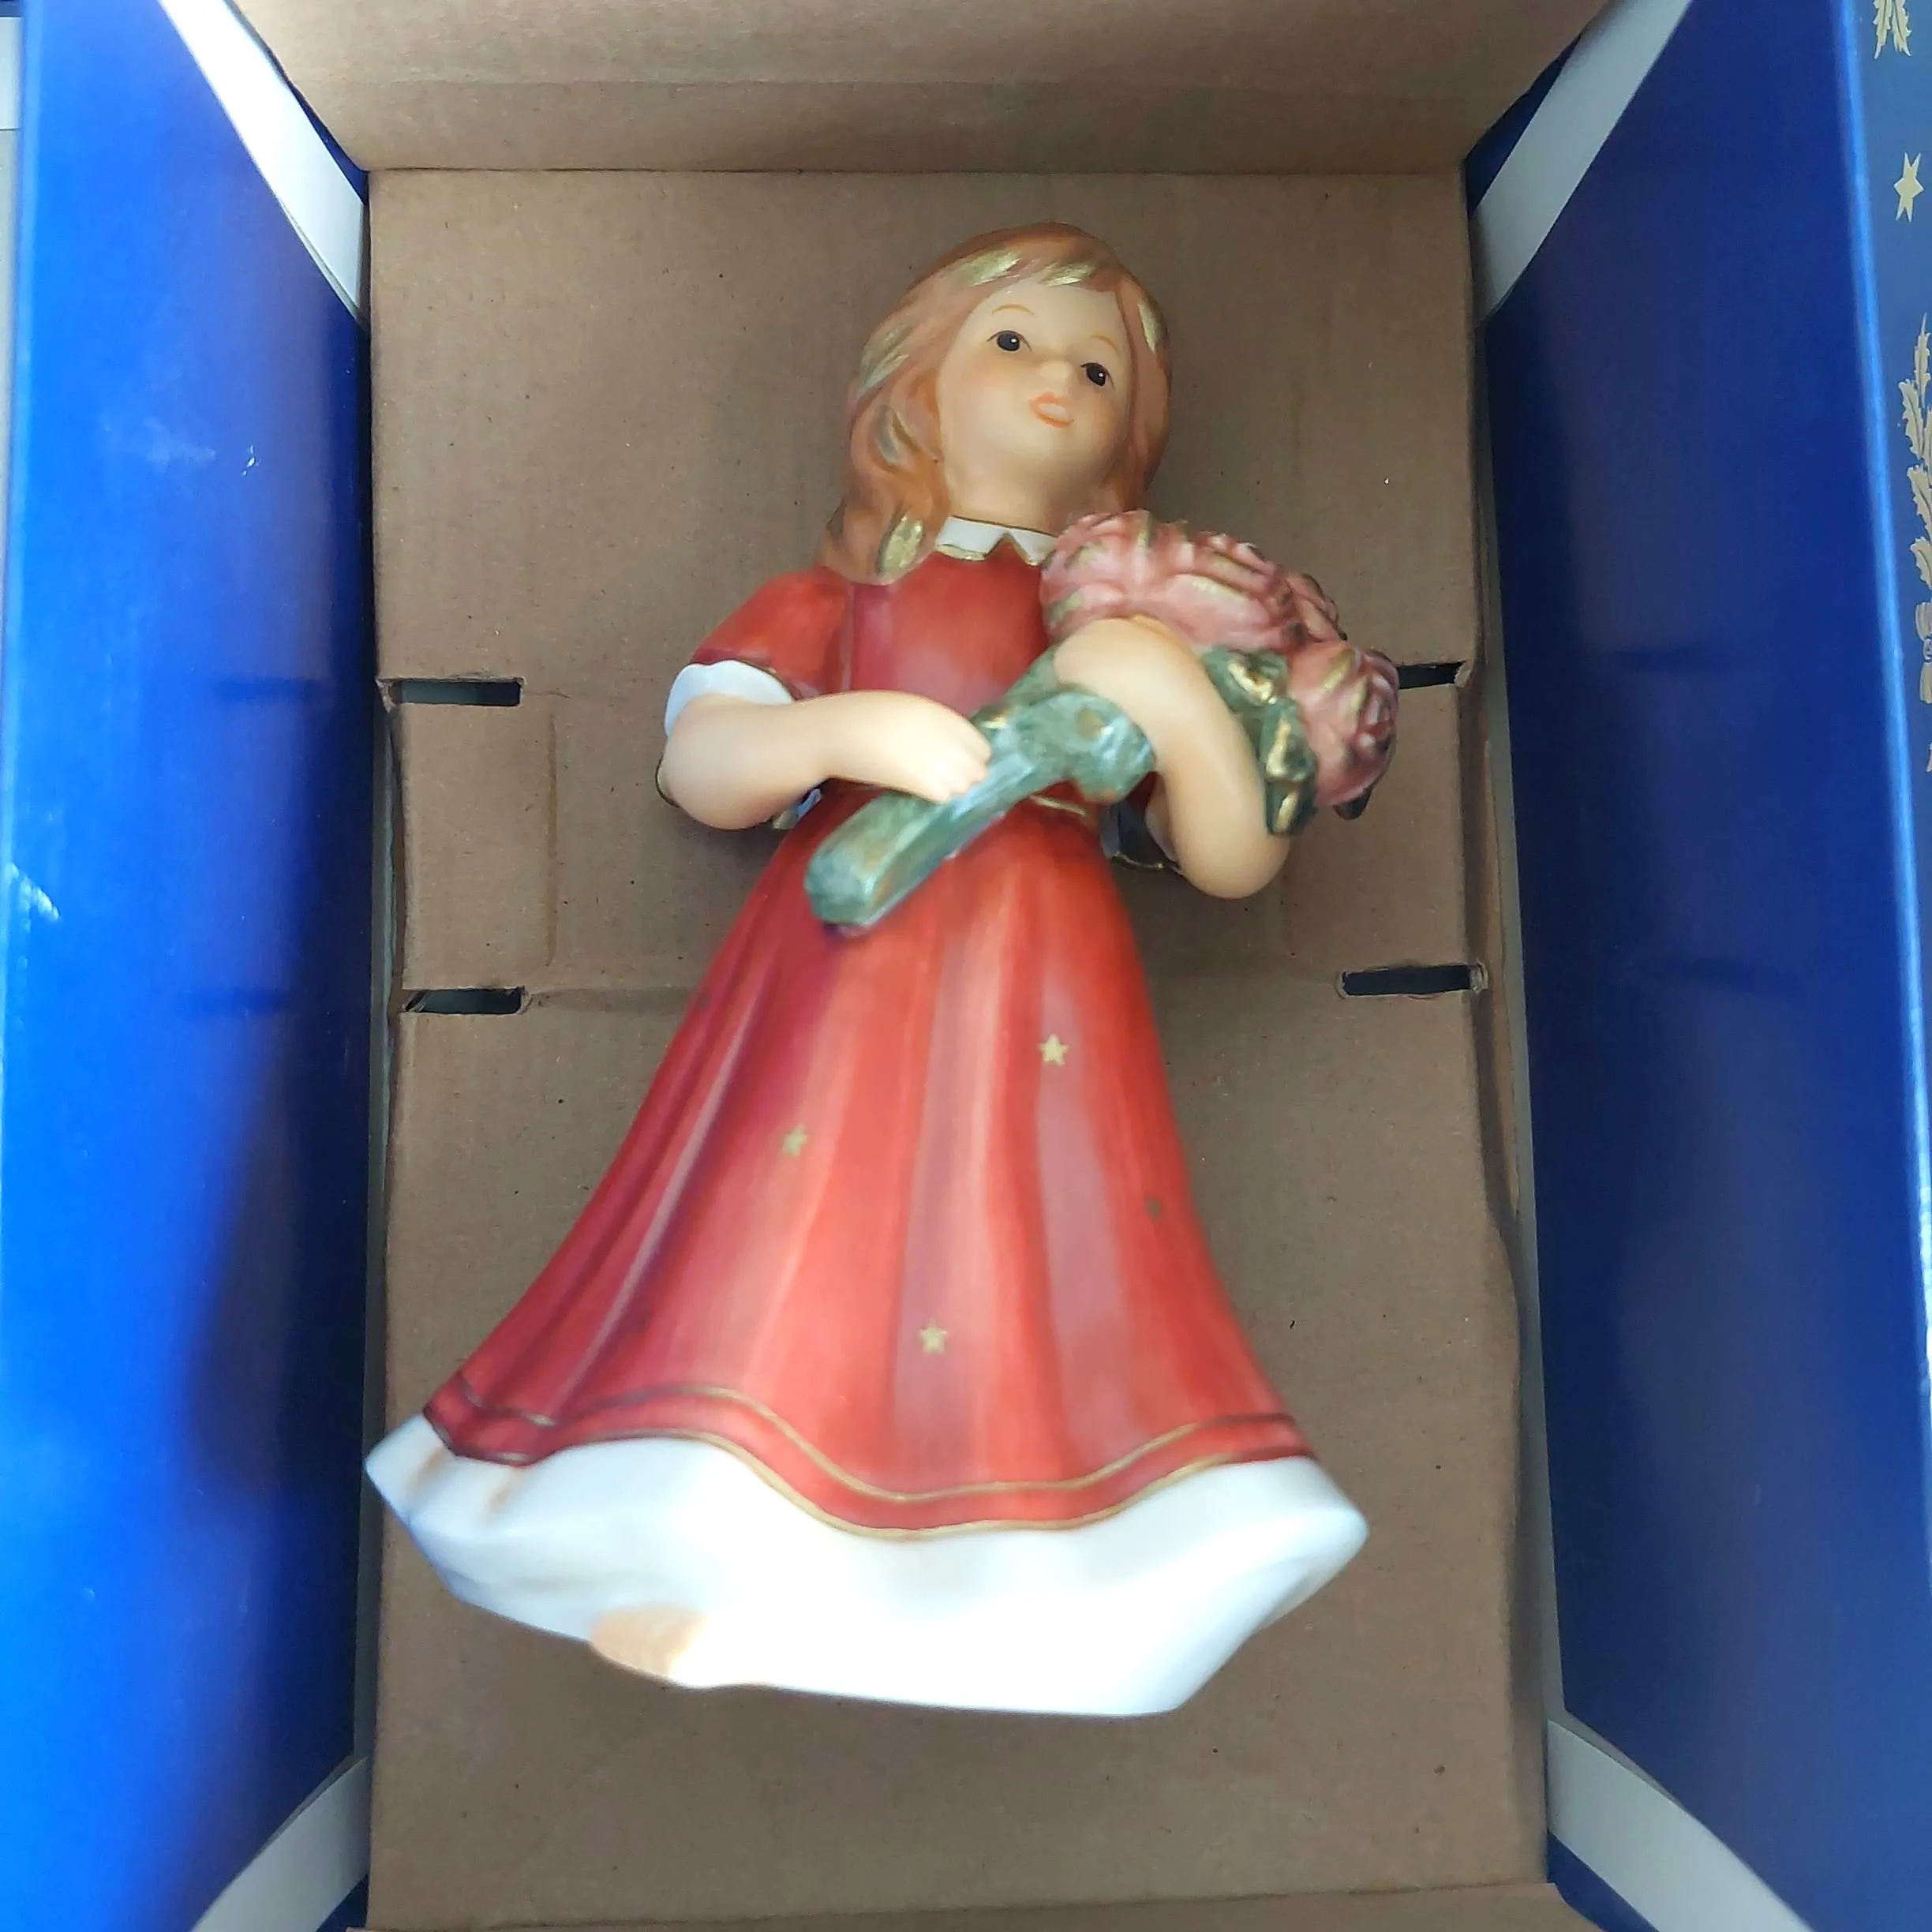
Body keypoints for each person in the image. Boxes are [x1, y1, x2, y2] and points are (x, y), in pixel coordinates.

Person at [368, 222, 1369, 1717]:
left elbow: (1229, 858)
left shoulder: (1113, 618)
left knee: (1039, 1254)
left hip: (1045, 990)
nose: (1057, 380)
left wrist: (1170, 690)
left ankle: (1021, 1587)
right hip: (850, 972)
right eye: (1012, 341)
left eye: (1099, 368)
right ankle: (720, 1547)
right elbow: (705, 762)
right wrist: (847, 732)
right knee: (792, 1229)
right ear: (916, 385)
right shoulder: (840, 605)